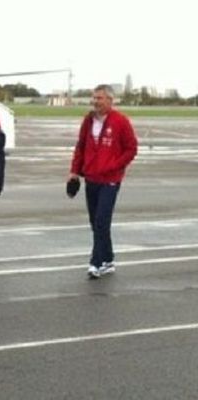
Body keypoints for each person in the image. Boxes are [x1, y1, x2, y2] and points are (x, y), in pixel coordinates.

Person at [69, 84, 137, 279]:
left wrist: (115, 166)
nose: (95, 102)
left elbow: (131, 148)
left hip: (110, 180)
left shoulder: (120, 121)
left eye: (99, 98)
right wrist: (74, 171)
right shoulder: (88, 120)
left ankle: (96, 262)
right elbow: (80, 146)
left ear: (110, 100)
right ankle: (108, 259)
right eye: (94, 98)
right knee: (95, 222)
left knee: (101, 221)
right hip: (91, 178)